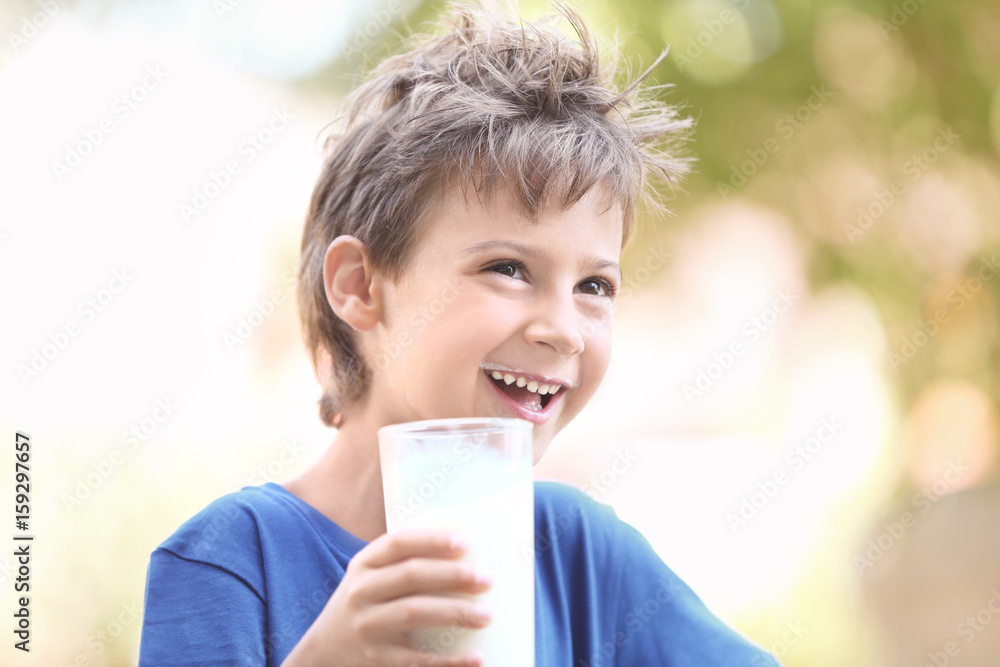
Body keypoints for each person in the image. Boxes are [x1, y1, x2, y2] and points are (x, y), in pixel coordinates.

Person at [138, 1, 779, 664]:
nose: (564, 331)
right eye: (507, 268)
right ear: (360, 285)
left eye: (594, 286)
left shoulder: (582, 557)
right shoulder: (232, 561)